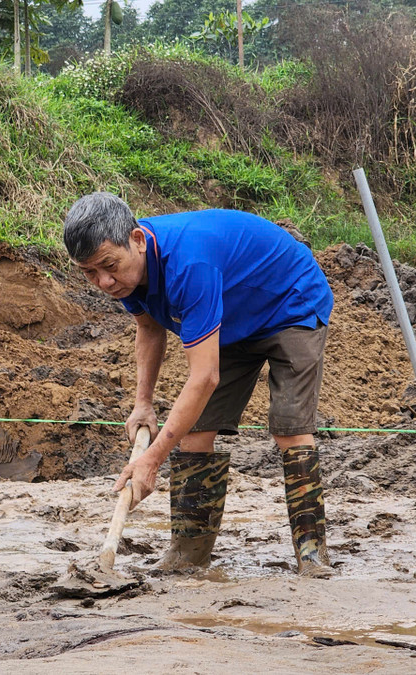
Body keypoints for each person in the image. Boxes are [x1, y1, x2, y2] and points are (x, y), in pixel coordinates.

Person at [63, 192, 335, 577]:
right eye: (89, 273)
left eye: (109, 266)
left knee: (289, 428)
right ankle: (187, 557)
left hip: (290, 301)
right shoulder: (127, 275)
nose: (104, 282)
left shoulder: (189, 263)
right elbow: (149, 328)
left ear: (137, 240)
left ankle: (313, 557)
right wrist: (143, 403)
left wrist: (151, 459)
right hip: (230, 316)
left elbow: (205, 377)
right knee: (194, 434)